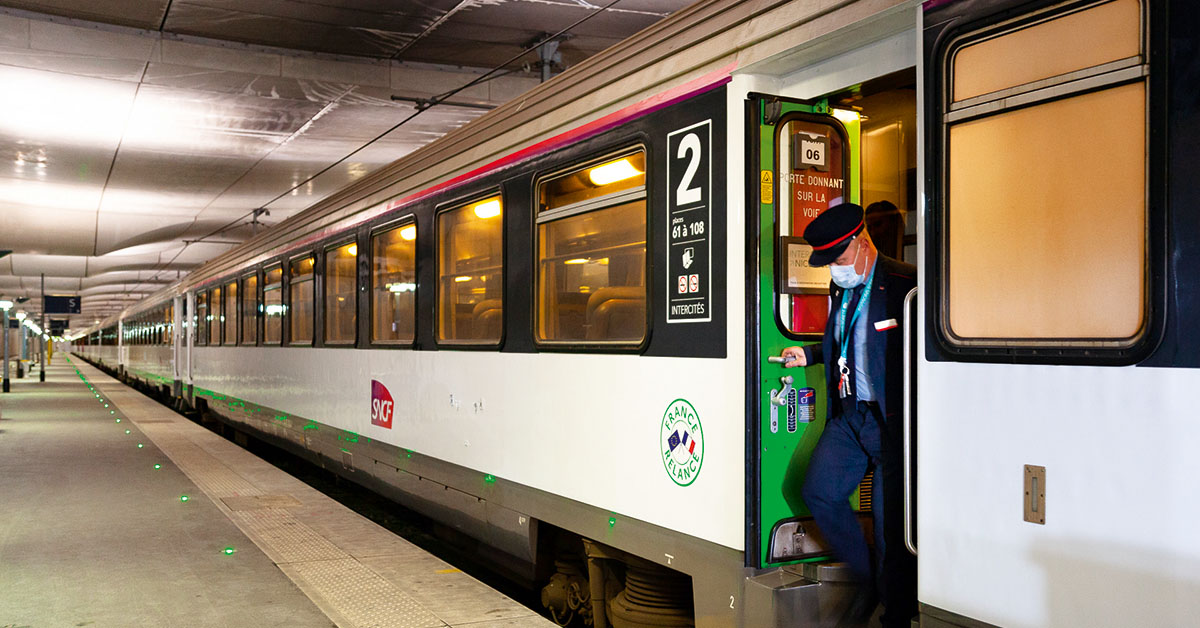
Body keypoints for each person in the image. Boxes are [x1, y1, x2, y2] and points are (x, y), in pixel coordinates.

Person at [781, 201, 917, 627]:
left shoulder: (904, 283)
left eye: (838, 259)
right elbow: (843, 342)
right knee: (818, 490)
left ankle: (895, 613)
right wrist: (806, 353)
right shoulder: (844, 284)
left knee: (888, 526)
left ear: (861, 244)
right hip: (850, 414)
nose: (834, 270)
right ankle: (870, 581)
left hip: (891, 422)